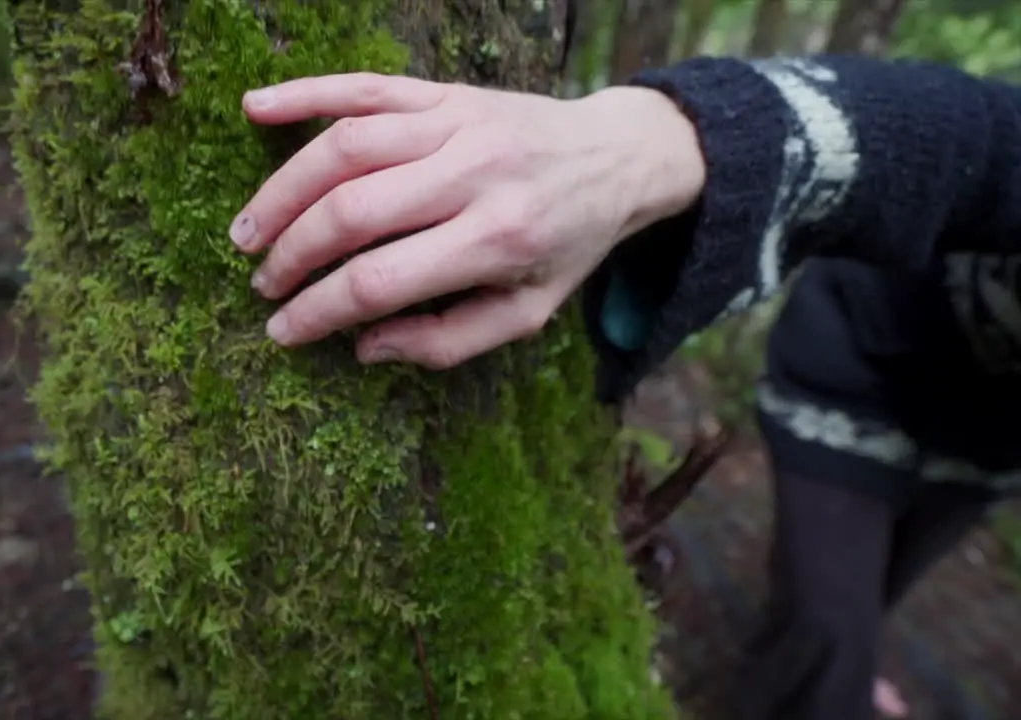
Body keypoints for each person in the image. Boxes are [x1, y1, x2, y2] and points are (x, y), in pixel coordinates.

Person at [226, 54, 1021, 720]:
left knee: (878, 594)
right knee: (821, 630)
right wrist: (664, 139)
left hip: (988, 450)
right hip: (858, 378)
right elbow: (978, 142)